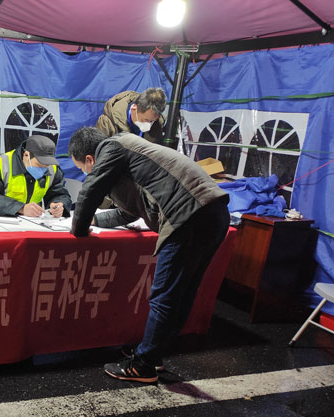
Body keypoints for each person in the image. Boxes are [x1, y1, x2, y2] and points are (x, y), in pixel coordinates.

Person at [68, 127, 230, 383]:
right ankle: (153, 354)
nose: (86, 173)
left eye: (82, 168)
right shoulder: (131, 154)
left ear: (90, 159)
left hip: (187, 216)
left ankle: (143, 365)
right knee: (181, 292)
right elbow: (128, 212)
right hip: (214, 212)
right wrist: (95, 221)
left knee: (164, 295)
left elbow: (90, 190)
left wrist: (78, 230)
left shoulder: (113, 146)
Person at [0, 135, 72, 217]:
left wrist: (59, 205)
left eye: (46, 165)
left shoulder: (53, 169)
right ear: (26, 155)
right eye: (39, 164)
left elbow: (60, 194)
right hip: (1, 222)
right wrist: (21, 208)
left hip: (35, 223)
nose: (43, 168)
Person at [95, 88, 167, 144]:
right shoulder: (107, 123)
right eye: (146, 120)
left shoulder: (157, 125)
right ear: (134, 109)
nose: (149, 125)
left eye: (152, 121)